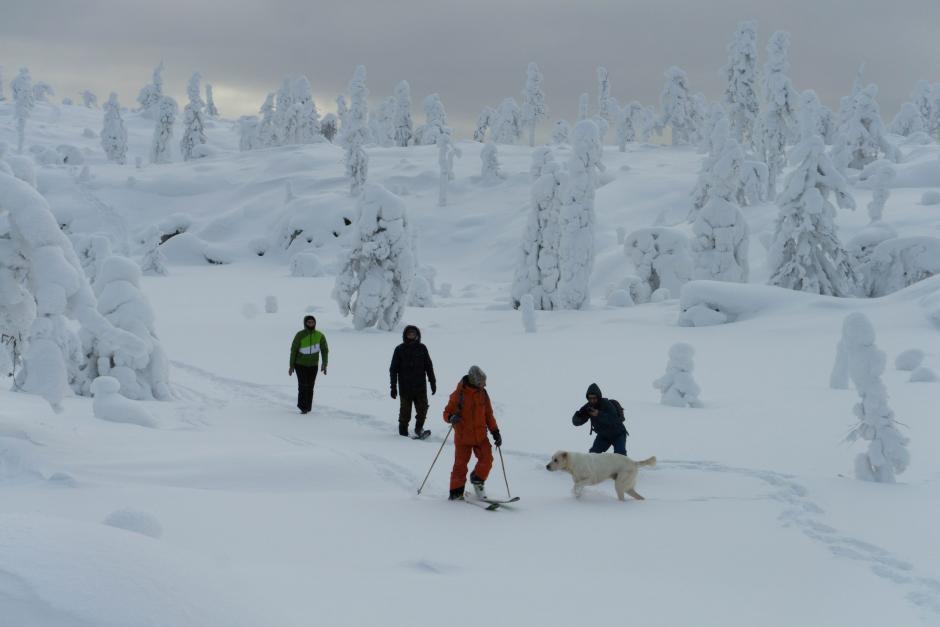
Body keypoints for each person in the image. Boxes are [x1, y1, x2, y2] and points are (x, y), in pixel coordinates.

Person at [443, 365, 502, 500]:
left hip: (481, 436)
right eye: (482, 382)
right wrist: (451, 418)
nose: (484, 384)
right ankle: (456, 493)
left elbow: (489, 415)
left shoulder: (483, 394)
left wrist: (495, 432)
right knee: (460, 466)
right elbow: (446, 412)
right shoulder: (459, 394)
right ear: (475, 381)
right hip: (463, 437)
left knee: (487, 459)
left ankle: (477, 480)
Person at [389, 325, 437, 437]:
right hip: (405, 387)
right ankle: (403, 432)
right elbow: (393, 369)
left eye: (413, 333)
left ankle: (419, 428)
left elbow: (429, 366)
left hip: (420, 387)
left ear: (417, 335)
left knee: (423, 409)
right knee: (405, 413)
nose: (411, 335)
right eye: (409, 333)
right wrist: (393, 386)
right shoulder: (399, 349)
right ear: (405, 335)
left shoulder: (422, 348)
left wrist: (432, 382)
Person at [572, 383, 627, 455]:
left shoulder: (607, 404)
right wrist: (578, 418)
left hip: (618, 434)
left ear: (598, 397)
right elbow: (577, 421)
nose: (592, 400)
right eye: (590, 398)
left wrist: (599, 414)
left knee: (620, 456)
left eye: (594, 398)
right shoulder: (588, 406)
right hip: (603, 436)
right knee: (592, 455)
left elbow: (614, 419)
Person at [288, 315, 328, 414]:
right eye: (308, 322)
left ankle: (308, 407)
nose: (310, 324)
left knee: (310, 386)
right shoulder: (300, 335)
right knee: (303, 385)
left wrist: (324, 363)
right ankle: (302, 407)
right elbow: (293, 350)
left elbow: (324, 350)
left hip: (313, 365)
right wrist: (291, 365)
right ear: (305, 323)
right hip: (300, 365)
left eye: (312, 322)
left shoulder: (320, 335)